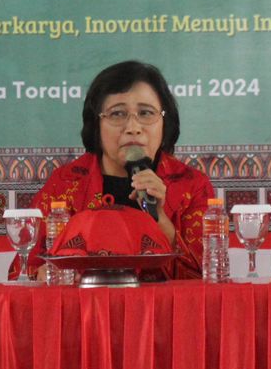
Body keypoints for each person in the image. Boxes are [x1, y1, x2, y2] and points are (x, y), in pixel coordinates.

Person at [20, 59, 213, 279]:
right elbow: (23, 268)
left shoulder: (191, 186)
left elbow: (206, 278)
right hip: (87, 301)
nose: (133, 128)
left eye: (146, 113)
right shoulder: (64, 184)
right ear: (96, 124)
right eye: (117, 114)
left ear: (164, 122)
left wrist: (159, 217)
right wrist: (45, 274)